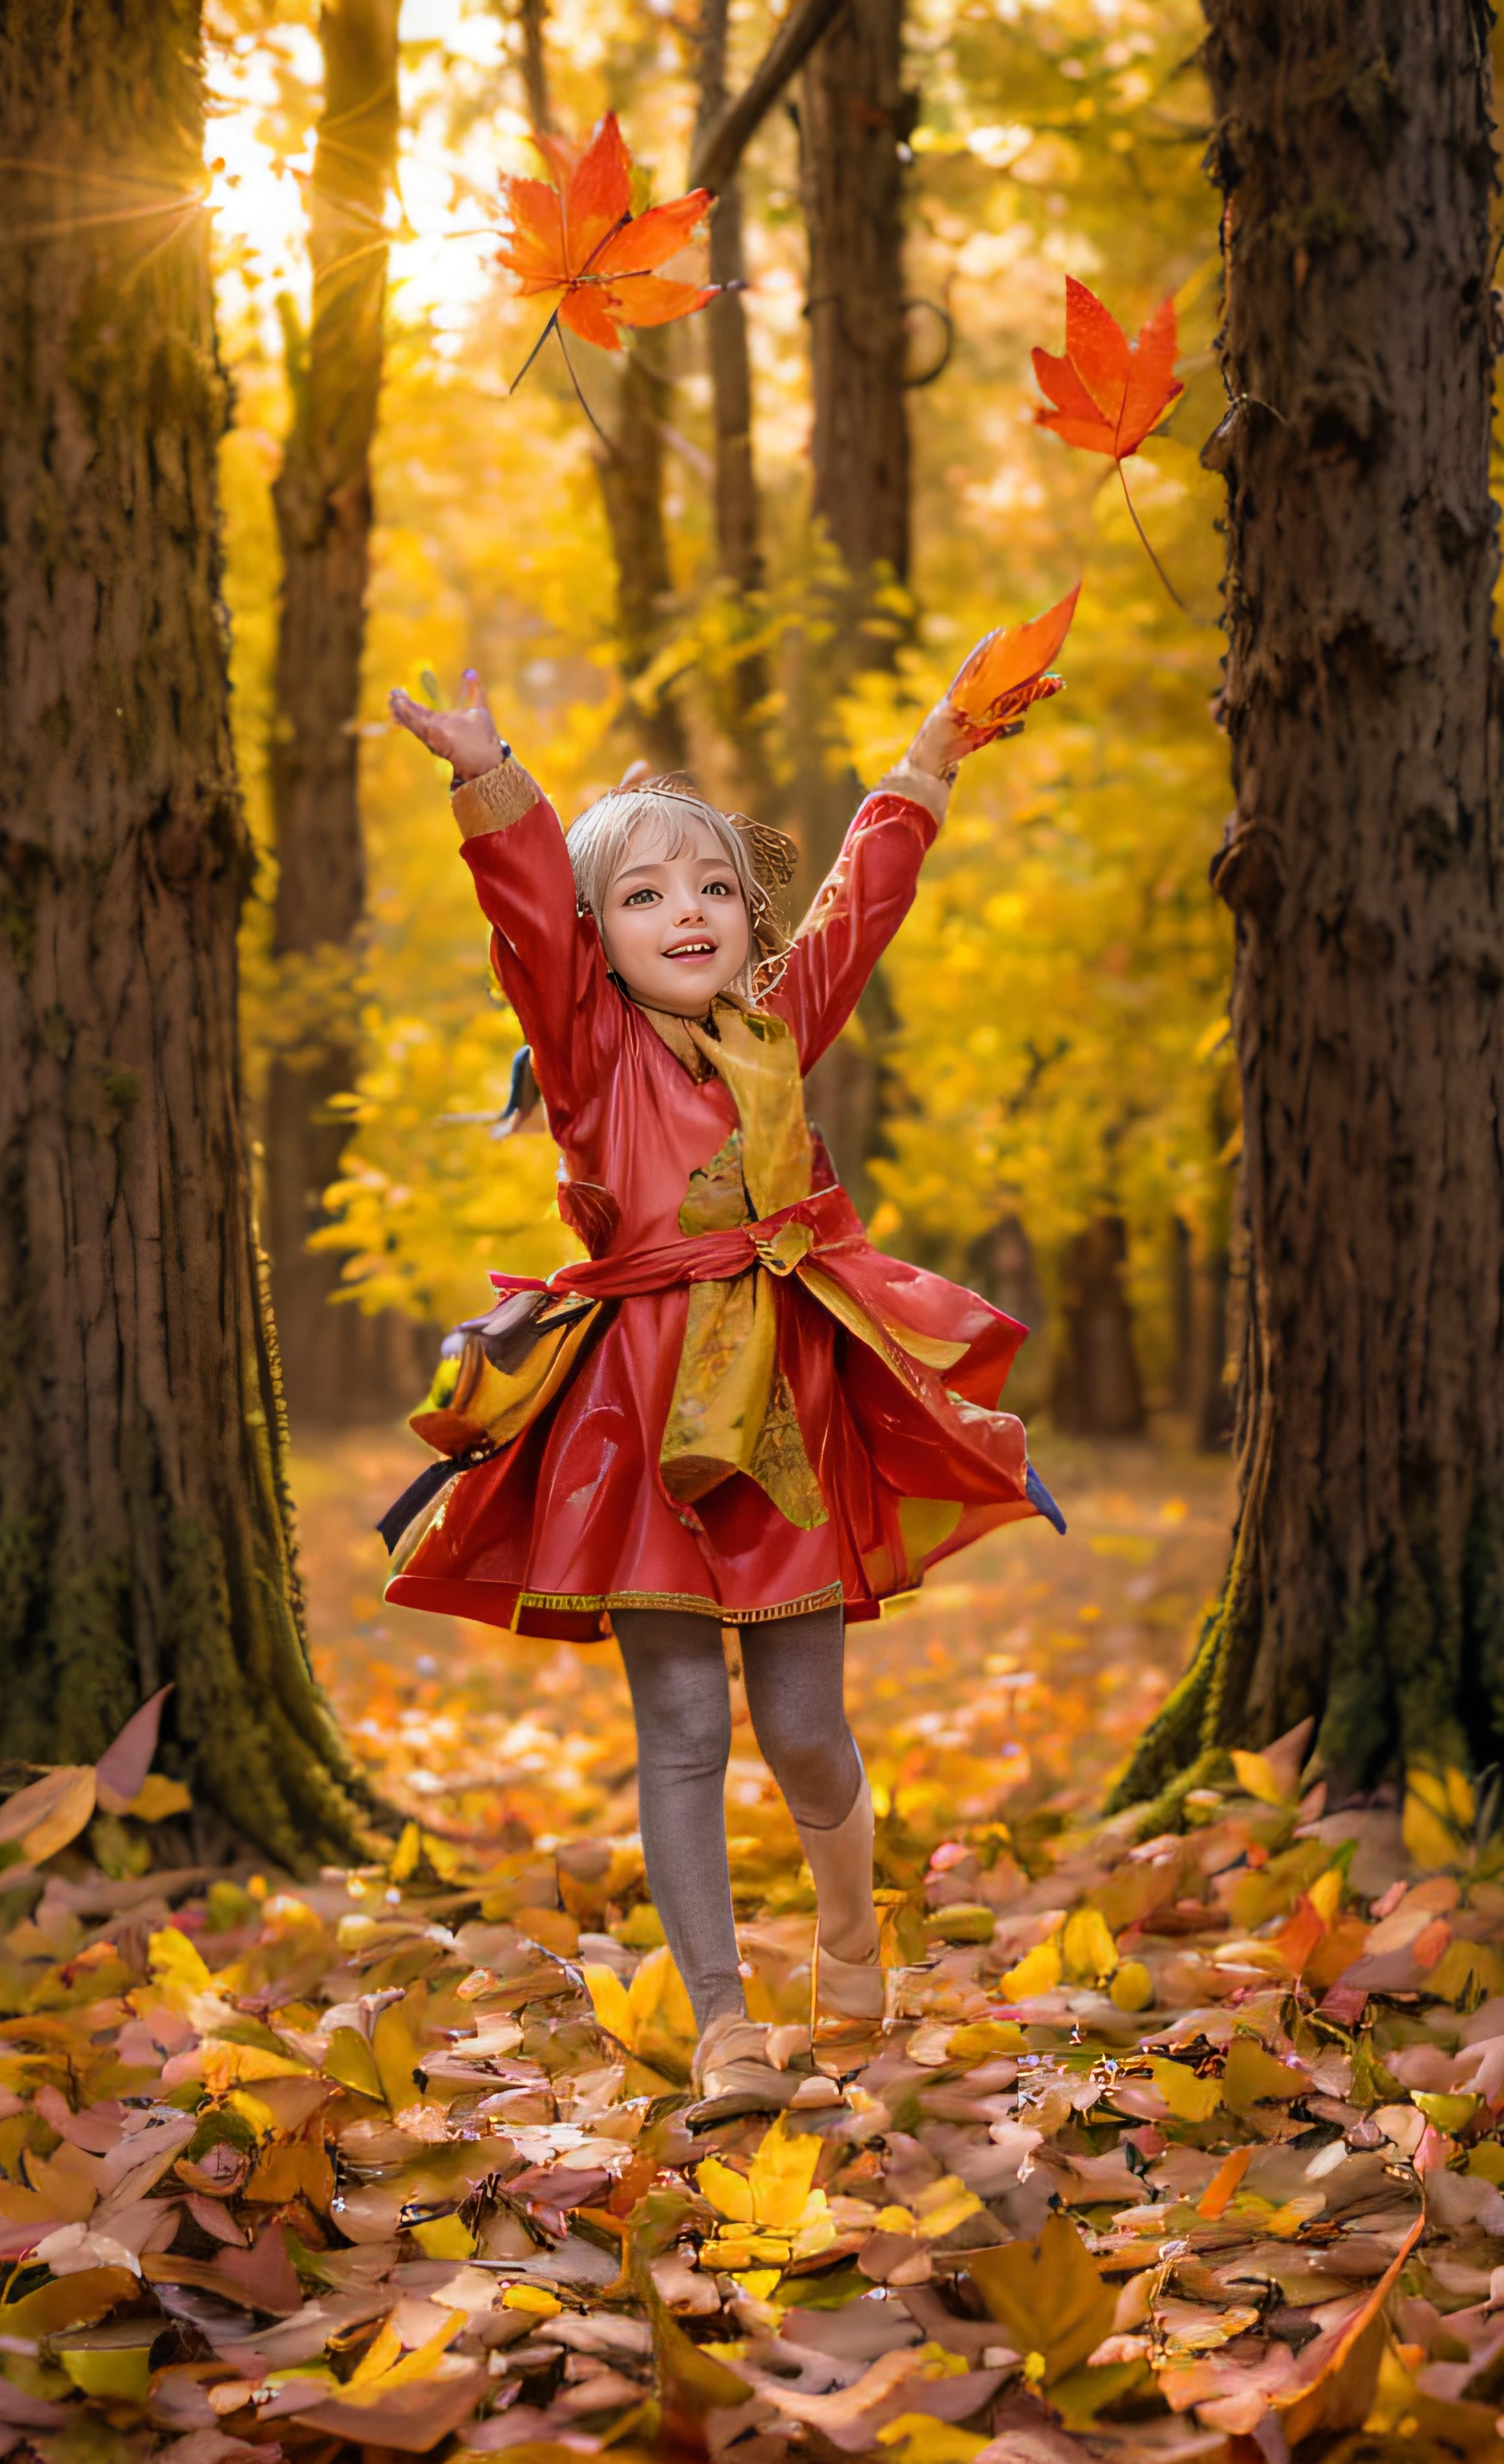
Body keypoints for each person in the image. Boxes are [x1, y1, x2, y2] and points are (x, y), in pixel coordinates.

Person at [382, 673, 1060, 2096]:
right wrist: (488, 774)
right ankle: (723, 2025)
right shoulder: (588, 1052)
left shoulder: (774, 1037)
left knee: (805, 1727)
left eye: (710, 886)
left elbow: (862, 906)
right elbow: (525, 912)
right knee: (684, 1730)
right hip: (639, 1423)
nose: (687, 911)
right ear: (596, 943)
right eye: (640, 897)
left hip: (789, 1413)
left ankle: (851, 1923)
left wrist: (931, 757)